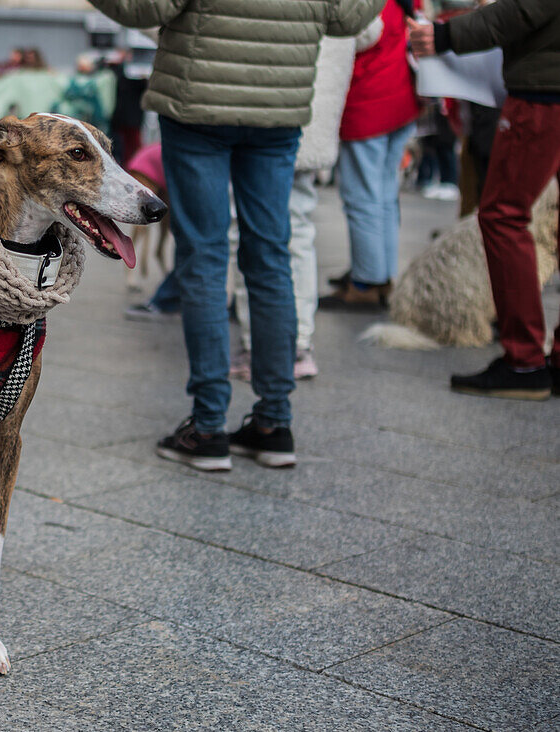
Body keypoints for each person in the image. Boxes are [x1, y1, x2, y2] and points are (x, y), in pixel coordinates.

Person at [89, 0, 385, 471]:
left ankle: (207, 428)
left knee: (204, 256)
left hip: (197, 102)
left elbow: (144, 7)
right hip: (278, 105)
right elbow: (351, 17)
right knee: (269, 258)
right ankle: (274, 423)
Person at [408, 0, 560, 399]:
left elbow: (527, 8)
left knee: (501, 215)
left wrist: (446, 35)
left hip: (544, 93)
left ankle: (523, 360)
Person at [232, 28, 381, 383]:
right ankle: (298, 346)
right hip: (317, 109)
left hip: (269, 104)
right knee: (298, 225)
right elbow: (370, 29)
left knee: (247, 228)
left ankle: (261, 347)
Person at [320, 0, 420, 311]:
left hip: (369, 99)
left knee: (361, 197)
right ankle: (381, 275)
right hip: (399, 95)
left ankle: (366, 282)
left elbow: (360, 33)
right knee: (385, 195)